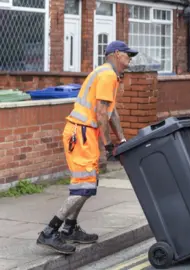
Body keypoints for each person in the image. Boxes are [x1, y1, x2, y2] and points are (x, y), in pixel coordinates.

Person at [36, 41, 138, 254]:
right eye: (127, 54)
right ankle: (50, 232)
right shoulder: (107, 75)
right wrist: (108, 145)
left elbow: (111, 111)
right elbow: (101, 113)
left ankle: (70, 229)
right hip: (81, 133)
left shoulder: (109, 75)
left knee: (88, 184)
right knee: (84, 186)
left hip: (84, 133)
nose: (130, 57)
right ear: (116, 54)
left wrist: (121, 139)